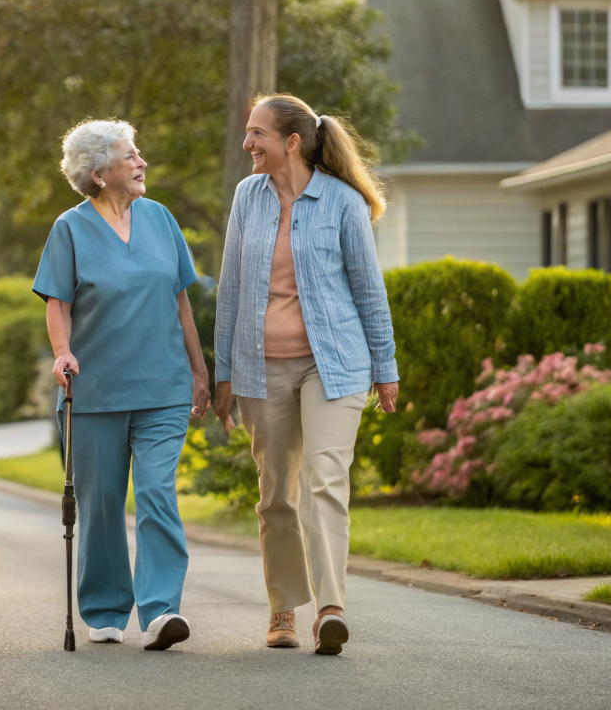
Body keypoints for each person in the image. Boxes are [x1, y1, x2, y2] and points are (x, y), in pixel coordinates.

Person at [213, 94, 399, 656]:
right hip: (260, 366)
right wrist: (224, 373)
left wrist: (385, 368)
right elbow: (231, 289)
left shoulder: (342, 202)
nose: (248, 143)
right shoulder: (248, 197)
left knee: (324, 479)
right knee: (276, 496)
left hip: (334, 364)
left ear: (291, 142)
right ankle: (283, 611)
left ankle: (331, 608)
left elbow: (369, 289)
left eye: (257, 134)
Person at [33, 119, 216, 652]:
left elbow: (182, 301)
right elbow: (57, 304)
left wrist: (199, 372)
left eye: (140, 154)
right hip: (95, 393)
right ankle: (107, 607)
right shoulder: (69, 229)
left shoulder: (160, 219)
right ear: (98, 173)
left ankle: (161, 611)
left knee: (157, 492)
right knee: (103, 503)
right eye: (130, 156)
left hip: (163, 387)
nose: (142, 163)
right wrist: (62, 352)